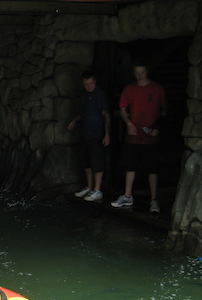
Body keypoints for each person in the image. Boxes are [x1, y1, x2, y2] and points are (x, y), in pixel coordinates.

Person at [112, 57, 167, 213]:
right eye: (137, 73)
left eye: (142, 73)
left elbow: (165, 110)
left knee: (152, 169)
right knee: (130, 166)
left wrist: (157, 127)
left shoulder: (157, 89)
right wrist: (128, 123)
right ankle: (128, 196)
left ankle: (154, 200)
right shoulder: (129, 89)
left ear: (147, 72)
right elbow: (122, 109)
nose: (140, 76)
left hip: (151, 137)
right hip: (133, 135)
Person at [68, 70, 111, 202]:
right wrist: (74, 120)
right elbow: (83, 113)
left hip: (97, 133)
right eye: (86, 84)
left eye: (91, 84)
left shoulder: (100, 95)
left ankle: (97, 190)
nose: (89, 87)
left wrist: (107, 134)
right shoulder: (84, 94)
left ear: (95, 82)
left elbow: (106, 115)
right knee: (86, 162)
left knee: (97, 162)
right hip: (85, 133)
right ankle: (89, 186)